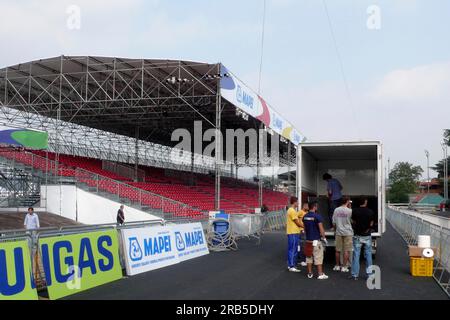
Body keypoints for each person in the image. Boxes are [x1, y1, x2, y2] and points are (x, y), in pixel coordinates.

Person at [350, 198, 375, 280]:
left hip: (357, 235)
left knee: (356, 255)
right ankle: (370, 275)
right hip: (367, 235)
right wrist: (368, 228)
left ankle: (355, 275)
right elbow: (371, 223)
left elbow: (353, 221)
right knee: (368, 255)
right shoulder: (370, 211)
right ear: (365, 202)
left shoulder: (354, 211)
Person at [303, 201, 328, 280]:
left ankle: (310, 273)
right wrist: (324, 238)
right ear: (314, 207)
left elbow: (304, 229)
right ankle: (320, 274)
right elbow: (321, 229)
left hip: (308, 241)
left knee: (309, 257)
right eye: (316, 206)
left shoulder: (305, 216)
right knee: (318, 257)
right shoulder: (317, 217)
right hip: (316, 241)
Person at [332, 197, 353, 273]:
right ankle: (344, 266)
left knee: (337, 250)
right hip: (348, 232)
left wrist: (335, 230)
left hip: (338, 232)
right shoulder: (350, 210)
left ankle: (337, 265)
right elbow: (351, 220)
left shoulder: (336, 210)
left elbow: (334, 222)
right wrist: (350, 207)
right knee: (346, 250)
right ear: (347, 201)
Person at [286, 196, 303, 272]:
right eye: (297, 202)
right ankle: (291, 265)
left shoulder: (292, 210)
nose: (298, 203)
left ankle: (291, 265)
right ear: (294, 202)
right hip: (293, 233)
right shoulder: (292, 211)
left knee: (293, 249)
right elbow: (297, 223)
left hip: (293, 232)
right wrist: (305, 227)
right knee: (293, 249)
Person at [297, 202, 309, 267]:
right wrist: (300, 226)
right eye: (307, 206)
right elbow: (295, 218)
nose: (308, 207)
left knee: (305, 245)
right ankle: (302, 260)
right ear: (304, 206)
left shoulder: (306, 213)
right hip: (302, 231)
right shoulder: (300, 212)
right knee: (302, 245)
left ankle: (303, 259)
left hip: (305, 231)